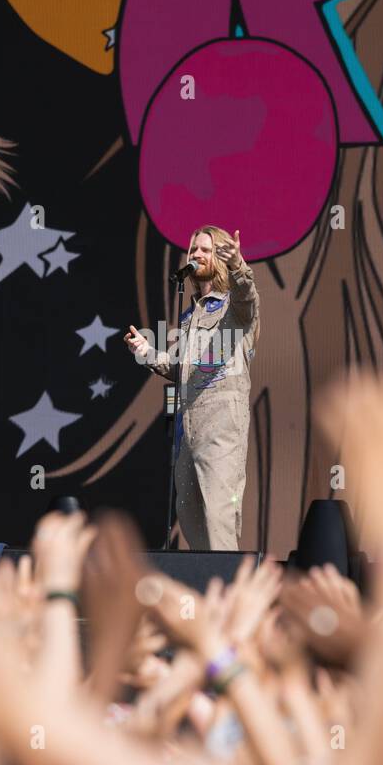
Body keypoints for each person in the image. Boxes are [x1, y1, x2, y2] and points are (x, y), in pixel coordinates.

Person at [125, 226, 259, 550]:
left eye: (204, 249)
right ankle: (202, 594)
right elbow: (182, 370)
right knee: (191, 520)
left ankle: (226, 596)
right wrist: (146, 353)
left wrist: (240, 265)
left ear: (221, 258)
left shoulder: (235, 308)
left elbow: (248, 296)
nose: (195, 255)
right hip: (189, 431)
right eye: (192, 250)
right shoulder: (190, 315)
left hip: (221, 428)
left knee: (218, 519)